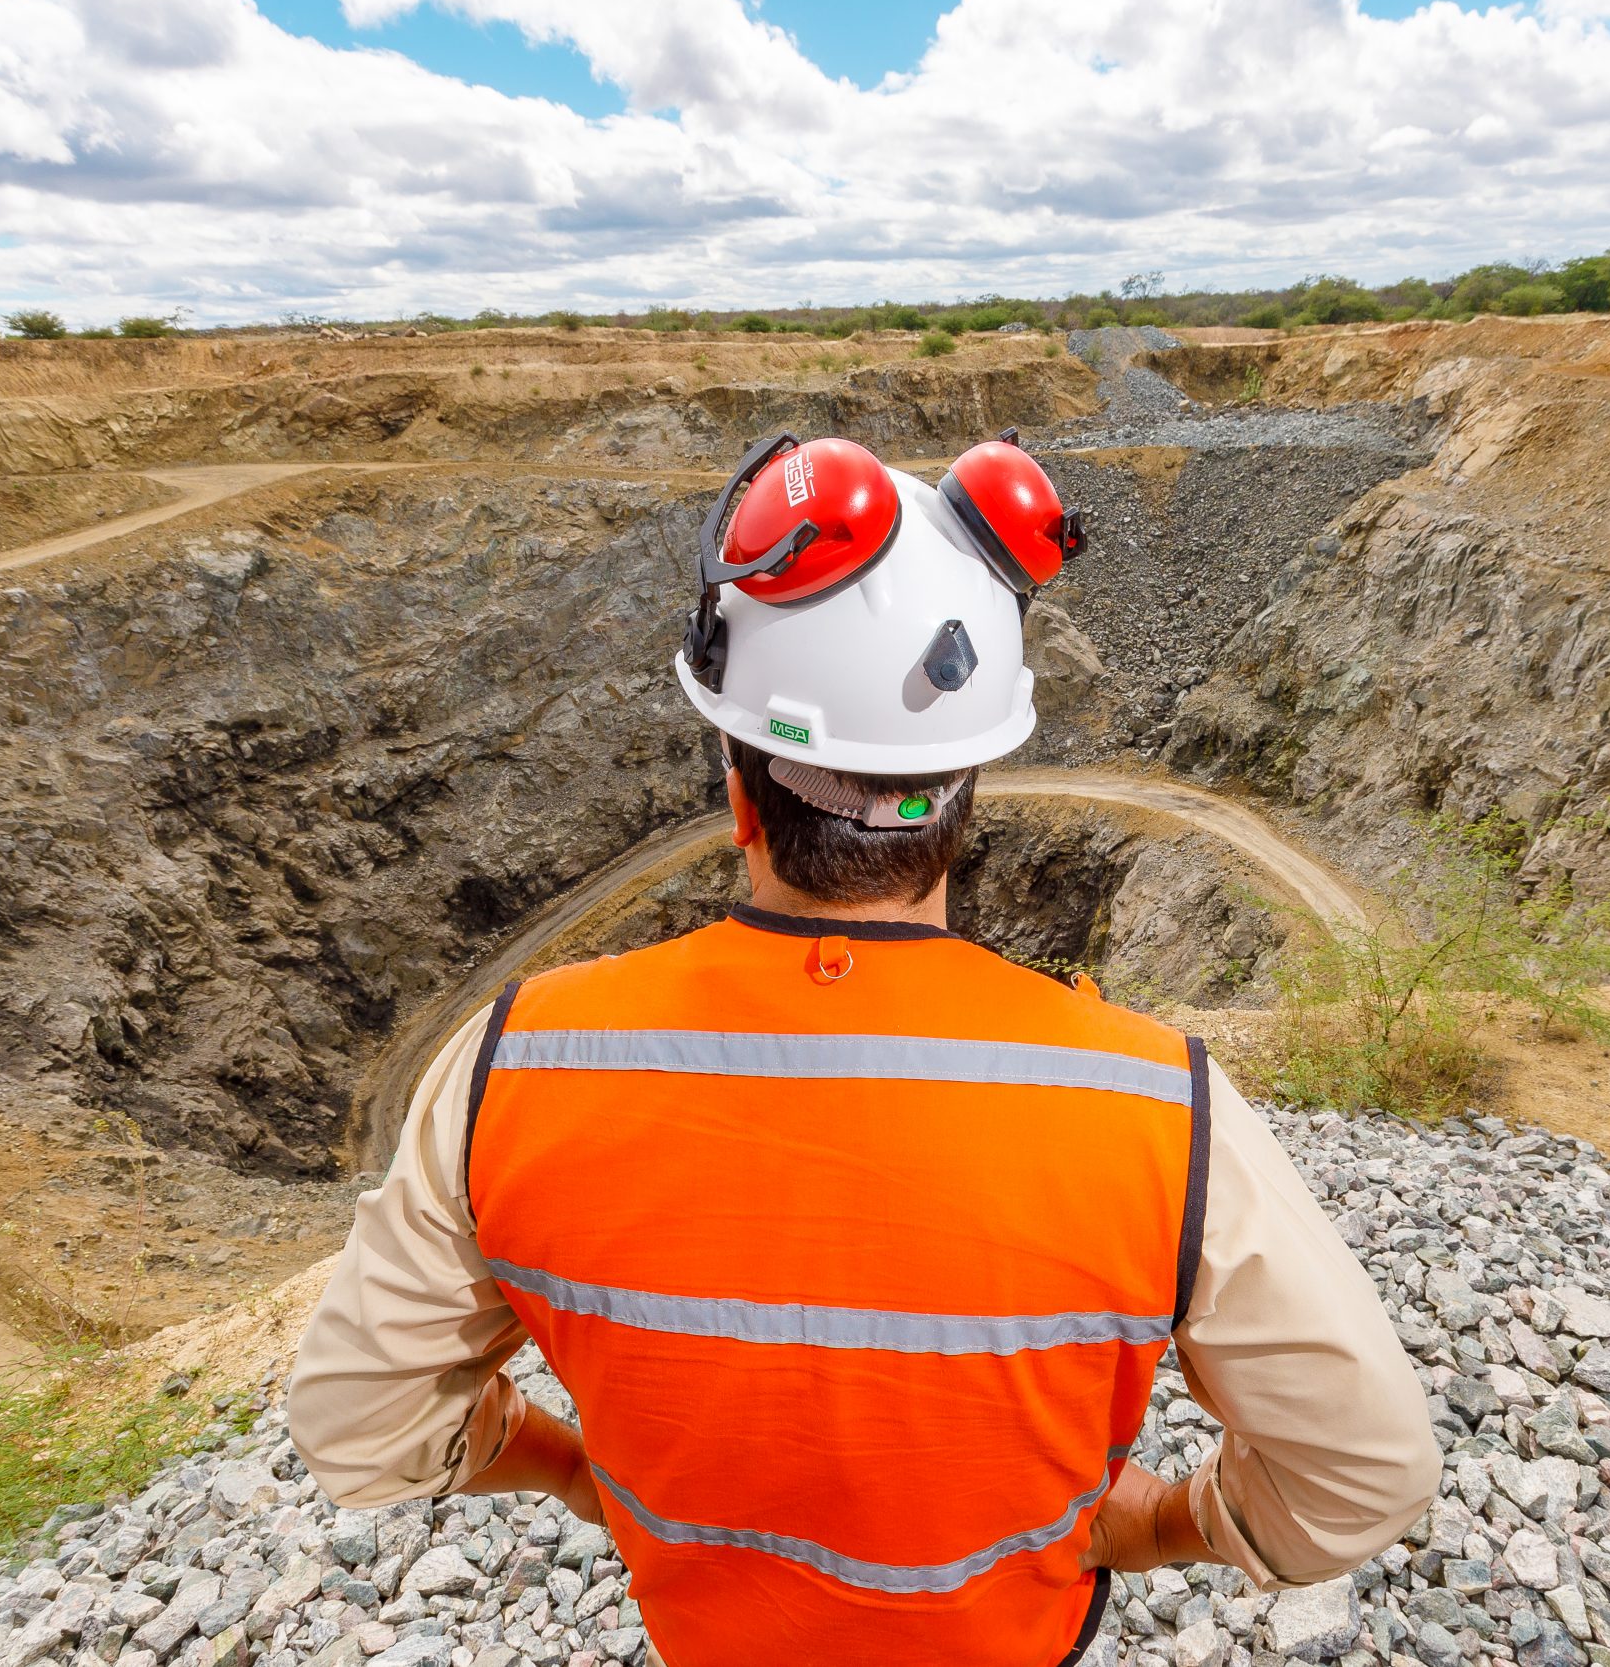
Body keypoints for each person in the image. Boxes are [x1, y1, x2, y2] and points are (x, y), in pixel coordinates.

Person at [289, 432, 1439, 1667]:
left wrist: (577, 1475)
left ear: (740, 793)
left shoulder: (508, 1068)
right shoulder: (1156, 1105)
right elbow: (1364, 1475)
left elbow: (357, 1423)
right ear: (966, 785)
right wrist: (1159, 1522)